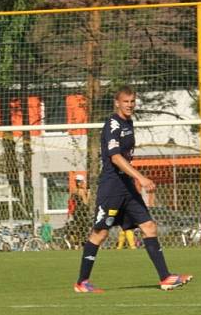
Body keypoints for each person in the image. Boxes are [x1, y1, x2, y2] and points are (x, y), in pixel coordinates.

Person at [73, 85, 193, 293]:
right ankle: (82, 282)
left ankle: (165, 278)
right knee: (100, 233)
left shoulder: (129, 122)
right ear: (117, 103)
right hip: (112, 187)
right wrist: (141, 178)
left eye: (132, 101)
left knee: (149, 227)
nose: (129, 105)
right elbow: (115, 157)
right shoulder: (112, 124)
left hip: (126, 186)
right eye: (125, 101)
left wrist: (134, 180)